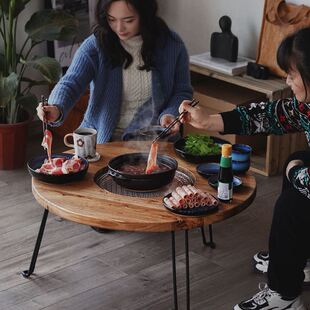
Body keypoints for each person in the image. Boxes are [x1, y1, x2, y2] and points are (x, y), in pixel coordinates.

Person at [179, 26, 310, 310]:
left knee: (291, 206)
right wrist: (210, 120)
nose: (288, 81)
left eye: (292, 74)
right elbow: (269, 115)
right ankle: (300, 257)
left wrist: (295, 172)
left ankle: (284, 296)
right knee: (296, 161)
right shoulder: (307, 105)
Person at [37, 0, 192, 143]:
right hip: (102, 140)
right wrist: (55, 107)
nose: (119, 28)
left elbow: (181, 91)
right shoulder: (96, 45)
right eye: (112, 19)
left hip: (153, 141)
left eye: (128, 20)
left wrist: (170, 115)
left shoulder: (172, 44)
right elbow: (71, 82)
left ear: (145, 14)